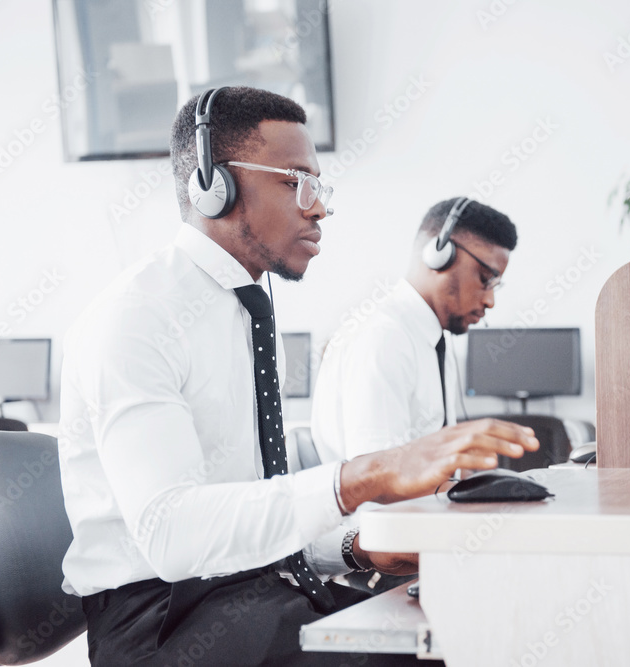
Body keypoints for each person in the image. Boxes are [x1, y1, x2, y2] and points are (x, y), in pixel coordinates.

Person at [57, 86, 538, 667]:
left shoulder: (246, 311)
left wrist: (356, 550)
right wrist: (366, 476)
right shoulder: (137, 317)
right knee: (419, 655)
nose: (319, 207)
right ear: (216, 187)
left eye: (320, 186)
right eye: (296, 182)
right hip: (163, 625)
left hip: (256, 590)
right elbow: (173, 535)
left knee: (469, 627)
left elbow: (253, 512)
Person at [311, 197, 517, 465]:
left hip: (432, 506)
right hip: (388, 509)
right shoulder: (384, 337)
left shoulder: (432, 339)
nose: (490, 301)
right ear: (440, 255)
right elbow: (378, 476)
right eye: (486, 279)